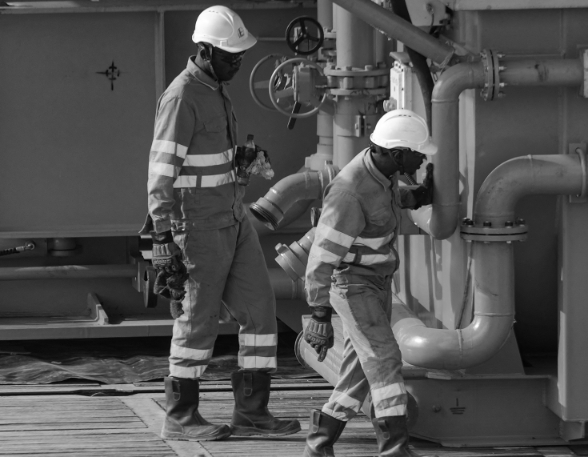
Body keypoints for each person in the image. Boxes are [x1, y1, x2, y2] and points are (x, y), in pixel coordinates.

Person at [140, 5, 300, 441]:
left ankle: (252, 411)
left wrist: (240, 164)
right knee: (198, 319)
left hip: (233, 217)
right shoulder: (182, 97)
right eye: (231, 56)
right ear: (205, 51)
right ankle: (180, 416)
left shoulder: (216, 87)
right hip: (197, 226)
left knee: (260, 310)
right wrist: (163, 236)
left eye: (241, 56)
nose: (238, 63)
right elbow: (162, 172)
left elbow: (206, 160)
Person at [301, 109, 436, 457]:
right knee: (385, 358)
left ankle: (319, 443)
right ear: (396, 152)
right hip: (354, 286)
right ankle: (394, 448)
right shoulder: (349, 191)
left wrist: (416, 196)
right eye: (417, 152)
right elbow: (322, 255)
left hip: (376, 284)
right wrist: (318, 312)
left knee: (361, 369)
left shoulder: (383, 172)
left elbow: (384, 206)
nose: (421, 156)